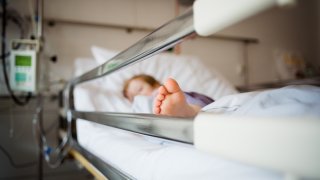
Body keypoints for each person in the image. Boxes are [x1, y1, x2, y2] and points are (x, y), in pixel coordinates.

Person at [123, 74, 214, 117]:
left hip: (195, 104)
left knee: (183, 101)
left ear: (155, 85)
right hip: (160, 115)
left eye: (140, 89)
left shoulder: (166, 96)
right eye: (134, 97)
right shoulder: (142, 106)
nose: (139, 97)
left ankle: (188, 111)